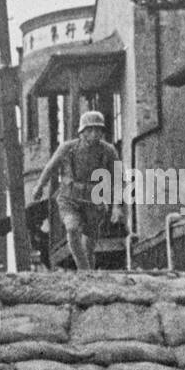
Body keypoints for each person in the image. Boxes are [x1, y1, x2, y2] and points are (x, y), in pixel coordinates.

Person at [31, 110, 122, 271]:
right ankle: (84, 271)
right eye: (90, 130)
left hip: (95, 201)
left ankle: (89, 275)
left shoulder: (108, 151)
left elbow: (118, 179)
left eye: (98, 130)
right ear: (82, 132)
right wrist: (39, 186)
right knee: (72, 228)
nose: (95, 134)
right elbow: (50, 167)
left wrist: (116, 206)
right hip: (69, 198)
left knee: (89, 246)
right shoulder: (67, 148)